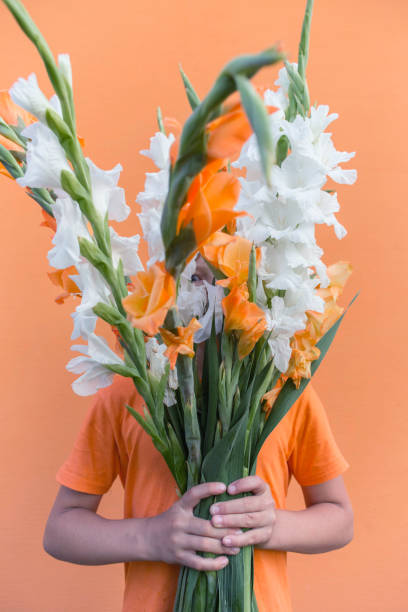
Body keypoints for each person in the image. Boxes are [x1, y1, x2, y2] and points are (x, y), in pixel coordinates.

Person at [43, 260, 354, 612]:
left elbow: (340, 520)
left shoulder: (283, 392)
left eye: (230, 274)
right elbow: (60, 531)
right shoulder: (128, 391)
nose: (214, 290)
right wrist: (150, 537)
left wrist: (270, 526)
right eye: (194, 276)